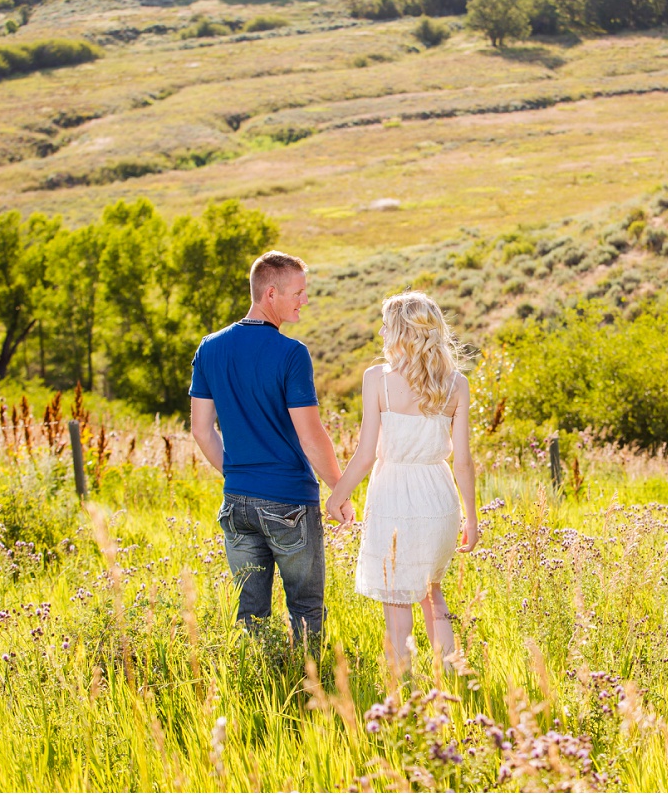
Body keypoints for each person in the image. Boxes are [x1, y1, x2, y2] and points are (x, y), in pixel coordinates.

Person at [190, 250, 352, 648]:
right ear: (271, 294)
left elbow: (200, 429)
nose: (305, 300)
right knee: (306, 608)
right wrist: (339, 489)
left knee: (250, 612)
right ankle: (311, 687)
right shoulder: (291, 354)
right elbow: (311, 436)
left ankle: (260, 683)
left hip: (237, 504)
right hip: (289, 502)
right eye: (298, 292)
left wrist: (236, 475)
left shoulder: (209, 348)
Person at [325, 291, 479, 674]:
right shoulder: (457, 384)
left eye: (385, 323)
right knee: (433, 593)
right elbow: (463, 462)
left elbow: (365, 454)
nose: (380, 330)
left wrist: (336, 497)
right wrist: (472, 518)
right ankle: (452, 677)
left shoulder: (377, 379)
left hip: (394, 494)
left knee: (396, 599)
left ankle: (403, 688)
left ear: (399, 331)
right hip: (439, 498)